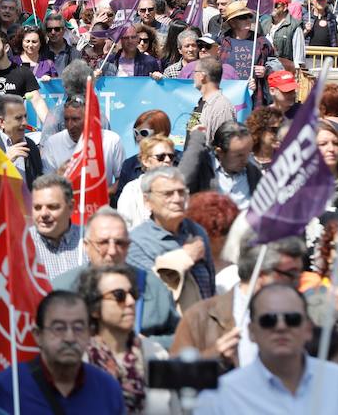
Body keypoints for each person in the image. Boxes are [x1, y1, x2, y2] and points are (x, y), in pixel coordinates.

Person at [194, 283, 338, 414]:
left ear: (308, 329)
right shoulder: (219, 397)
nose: (281, 327)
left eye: (292, 319)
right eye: (269, 320)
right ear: (252, 332)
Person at [170, 237, 305, 370]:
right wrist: (214, 356)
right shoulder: (200, 317)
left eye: (299, 274)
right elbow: (173, 375)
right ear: (262, 274)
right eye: (291, 274)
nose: (298, 282)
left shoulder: (302, 314)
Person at [52, 208, 179, 348]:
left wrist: (148, 345)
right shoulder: (62, 288)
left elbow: (180, 338)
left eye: (120, 243)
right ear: (86, 246)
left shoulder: (151, 286)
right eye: (103, 243)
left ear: (129, 246)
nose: (112, 251)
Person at [0, 291, 125, 414]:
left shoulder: (107, 389)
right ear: (38, 335)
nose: (70, 338)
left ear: (90, 333)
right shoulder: (7, 387)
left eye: (78, 328)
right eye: (59, 328)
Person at [127, 167, 217, 310]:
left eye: (181, 192)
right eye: (167, 194)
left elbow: (212, 288)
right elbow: (151, 293)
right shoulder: (136, 242)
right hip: (166, 330)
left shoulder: (197, 232)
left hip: (203, 326)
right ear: (147, 200)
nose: (177, 199)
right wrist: (185, 257)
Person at [78, 264, 153, 413]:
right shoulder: (78, 358)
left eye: (134, 293)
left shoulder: (154, 353)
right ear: (94, 309)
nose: (131, 302)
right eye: (119, 295)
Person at [41, 96, 125, 187]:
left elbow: (122, 179)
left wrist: (102, 195)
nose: (70, 125)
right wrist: (58, 176)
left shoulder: (112, 141)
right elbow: (46, 185)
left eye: (75, 119)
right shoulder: (52, 144)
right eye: (66, 119)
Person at [179, 121, 263, 208]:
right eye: (239, 155)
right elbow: (182, 180)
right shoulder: (203, 168)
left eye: (249, 153)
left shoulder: (254, 171)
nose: (245, 160)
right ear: (220, 152)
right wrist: (197, 141)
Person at [29, 174, 87, 280]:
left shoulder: (90, 239)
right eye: (37, 207)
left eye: (52, 207)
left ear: (70, 207)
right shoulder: (20, 244)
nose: (44, 214)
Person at [0, 30, 49, 122]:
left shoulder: (23, 72)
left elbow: (38, 102)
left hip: (14, 129)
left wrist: (50, 129)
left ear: (6, 48)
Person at [220, 1, 276, 106]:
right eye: (242, 17)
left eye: (249, 16)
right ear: (232, 22)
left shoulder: (261, 41)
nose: (247, 20)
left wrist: (266, 71)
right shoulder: (223, 42)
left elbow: (277, 67)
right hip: (229, 96)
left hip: (255, 97)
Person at [116, 134, 177, 230]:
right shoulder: (132, 190)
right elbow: (124, 226)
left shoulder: (179, 188)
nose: (167, 160)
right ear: (146, 161)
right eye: (161, 157)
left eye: (171, 156)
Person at [0, 94, 44, 189]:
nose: (25, 123)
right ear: (1, 122)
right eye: (18, 118)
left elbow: (39, 182)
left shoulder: (31, 145)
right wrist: (5, 162)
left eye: (25, 117)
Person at [192, 56, 237, 141]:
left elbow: (224, 143)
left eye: (195, 72)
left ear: (202, 76)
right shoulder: (202, 102)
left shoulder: (222, 107)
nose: (193, 76)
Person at [260, 0, 306, 70]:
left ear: (285, 7)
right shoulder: (264, 23)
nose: (272, 8)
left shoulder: (294, 26)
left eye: (276, 5)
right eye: (270, 5)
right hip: (266, 71)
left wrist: (297, 70)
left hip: (285, 71)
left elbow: (299, 56)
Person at [245, 106, 284, 171]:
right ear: (259, 130)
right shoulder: (245, 163)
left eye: (280, 129)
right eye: (274, 129)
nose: (278, 134)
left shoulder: (283, 161)